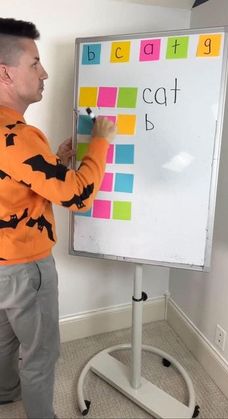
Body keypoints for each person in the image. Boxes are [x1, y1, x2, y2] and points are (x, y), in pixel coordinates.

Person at [0, 17, 116, 419]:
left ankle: (4, 394)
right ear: (6, 73)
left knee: (3, 341)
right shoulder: (19, 136)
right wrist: (99, 142)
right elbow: (79, 196)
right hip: (24, 268)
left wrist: (57, 161)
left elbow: (13, 178)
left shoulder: (10, 134)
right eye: (35, 63)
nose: (45, 72)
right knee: (40, 355)